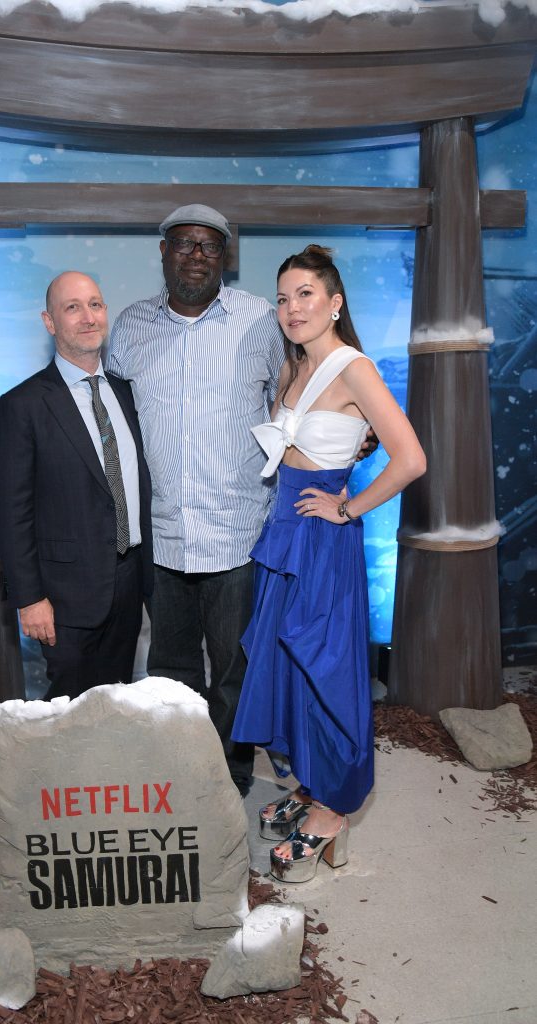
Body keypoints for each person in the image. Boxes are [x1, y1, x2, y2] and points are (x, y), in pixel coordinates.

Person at [108, 204, 376, 795]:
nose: (197, 254)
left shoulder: (264, 321)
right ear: (163, 253)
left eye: (210, 245)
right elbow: (117, 421)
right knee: (169, 670)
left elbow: (313, 391)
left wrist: (352, 446)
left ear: (226, 257)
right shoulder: (129, 328)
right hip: (163, 535)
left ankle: (229, 781)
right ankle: (179, 775)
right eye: (184, 243)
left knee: (236, 668)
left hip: (242, 534)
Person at [231, 244, 426, 882]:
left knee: (326, 669)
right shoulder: (292, 371)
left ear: (335, 301)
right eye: (283, 298)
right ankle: (313, 783)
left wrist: (351, 509)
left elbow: (410, 458)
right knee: (289, 667)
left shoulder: (353, 368)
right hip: (283, 531)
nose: (292, 308)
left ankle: (336, 807)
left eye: (305, 294)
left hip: (320, 538)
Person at [0, 271, 153, 700]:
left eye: (95, 305)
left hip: (128, 580)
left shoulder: (127, 393)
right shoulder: (21, 406)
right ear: (49, 321)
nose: (87, 317)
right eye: (72, 307)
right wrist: (30, 598)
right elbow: (10, 511)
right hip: (62, 596)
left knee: (116, 702)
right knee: (68, 712)